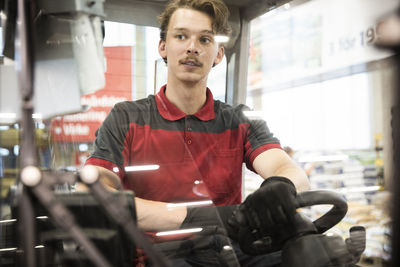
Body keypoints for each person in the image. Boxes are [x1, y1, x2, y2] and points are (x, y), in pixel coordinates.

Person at [84, 0, 310, 265]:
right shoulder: (126, 118)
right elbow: (95, 192)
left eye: (205, 39)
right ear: (163, 47)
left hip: (228, 253)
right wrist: (197, 217)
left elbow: (288, 169)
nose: (192, 47)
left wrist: (280, 185)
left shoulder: (238, 120)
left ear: (218, 54)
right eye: (181, 36)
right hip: (158, 257)